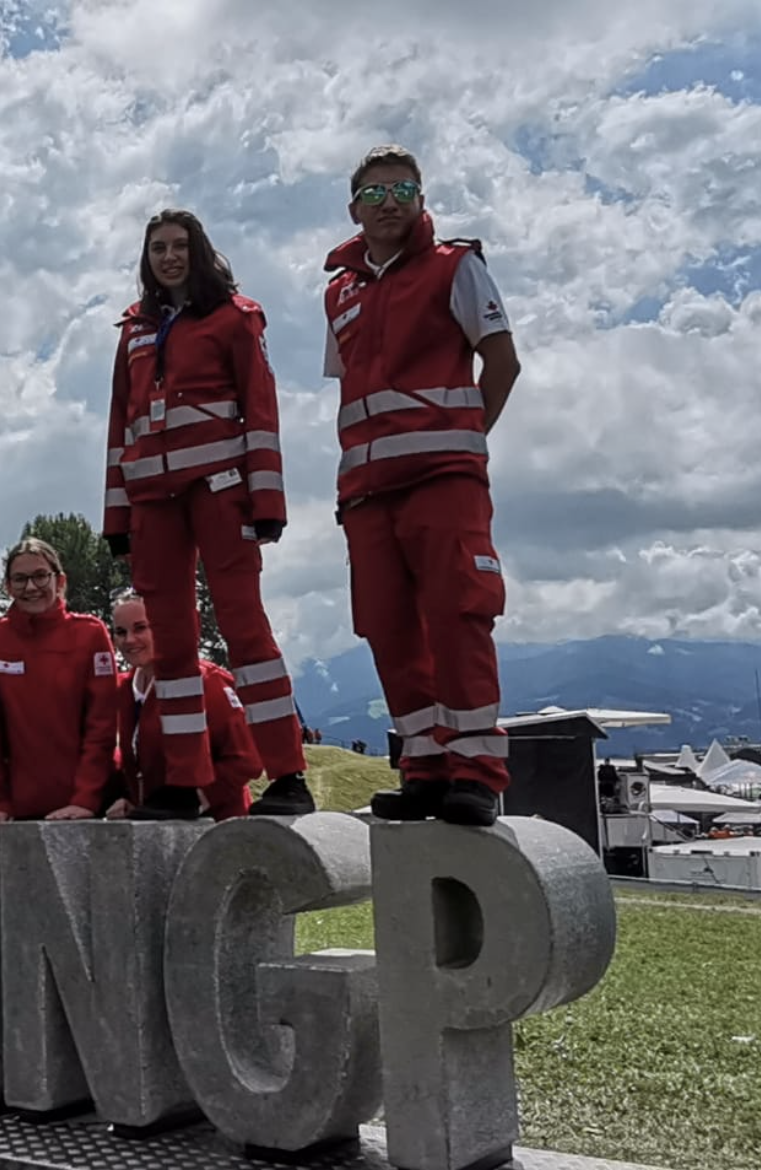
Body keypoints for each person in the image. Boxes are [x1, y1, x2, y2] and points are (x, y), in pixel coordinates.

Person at [322, 145, 522, 827]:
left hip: (443, 479)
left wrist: (466, 437)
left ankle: (475, 771)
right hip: (367, 489)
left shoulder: (456, 267)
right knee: (386, 625)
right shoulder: (339, 290)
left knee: (459, 613)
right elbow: (348, 383)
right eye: (375, 192)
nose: (390, 201)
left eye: (403, 188)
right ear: (355, 208)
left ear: (421, 197)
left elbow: (502, 362)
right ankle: (425, 765)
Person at [101, 209, 312, 820]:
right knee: (172, 648)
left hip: (221, 492)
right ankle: (181, 785)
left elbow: (260, 409)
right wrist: (117, 517)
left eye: (180, 246)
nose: (169, 257)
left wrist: (267, 500)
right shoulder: (133, 332)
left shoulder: (235, 318)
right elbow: (120, 427)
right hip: (151, 503)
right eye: (158, 248)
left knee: (246, 630)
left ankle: (289, 774)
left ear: (200, 252)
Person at [0, 538, 118, 834]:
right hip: (18, 809)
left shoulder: (90, 634)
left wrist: (85, 799)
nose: (31, 587)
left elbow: (101, 725)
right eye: (20, 579)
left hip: (88, 807)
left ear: (59, 580)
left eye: (40, 576)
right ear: (7, 586)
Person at [106, 591, 258, 821]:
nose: (129, 640)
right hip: (161, 832)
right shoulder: (124, 689)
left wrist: (196, 800)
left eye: (140, 628)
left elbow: (247, 760)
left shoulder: (207, 681)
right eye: (121, 632)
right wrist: (132, 801)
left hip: (219, 830)